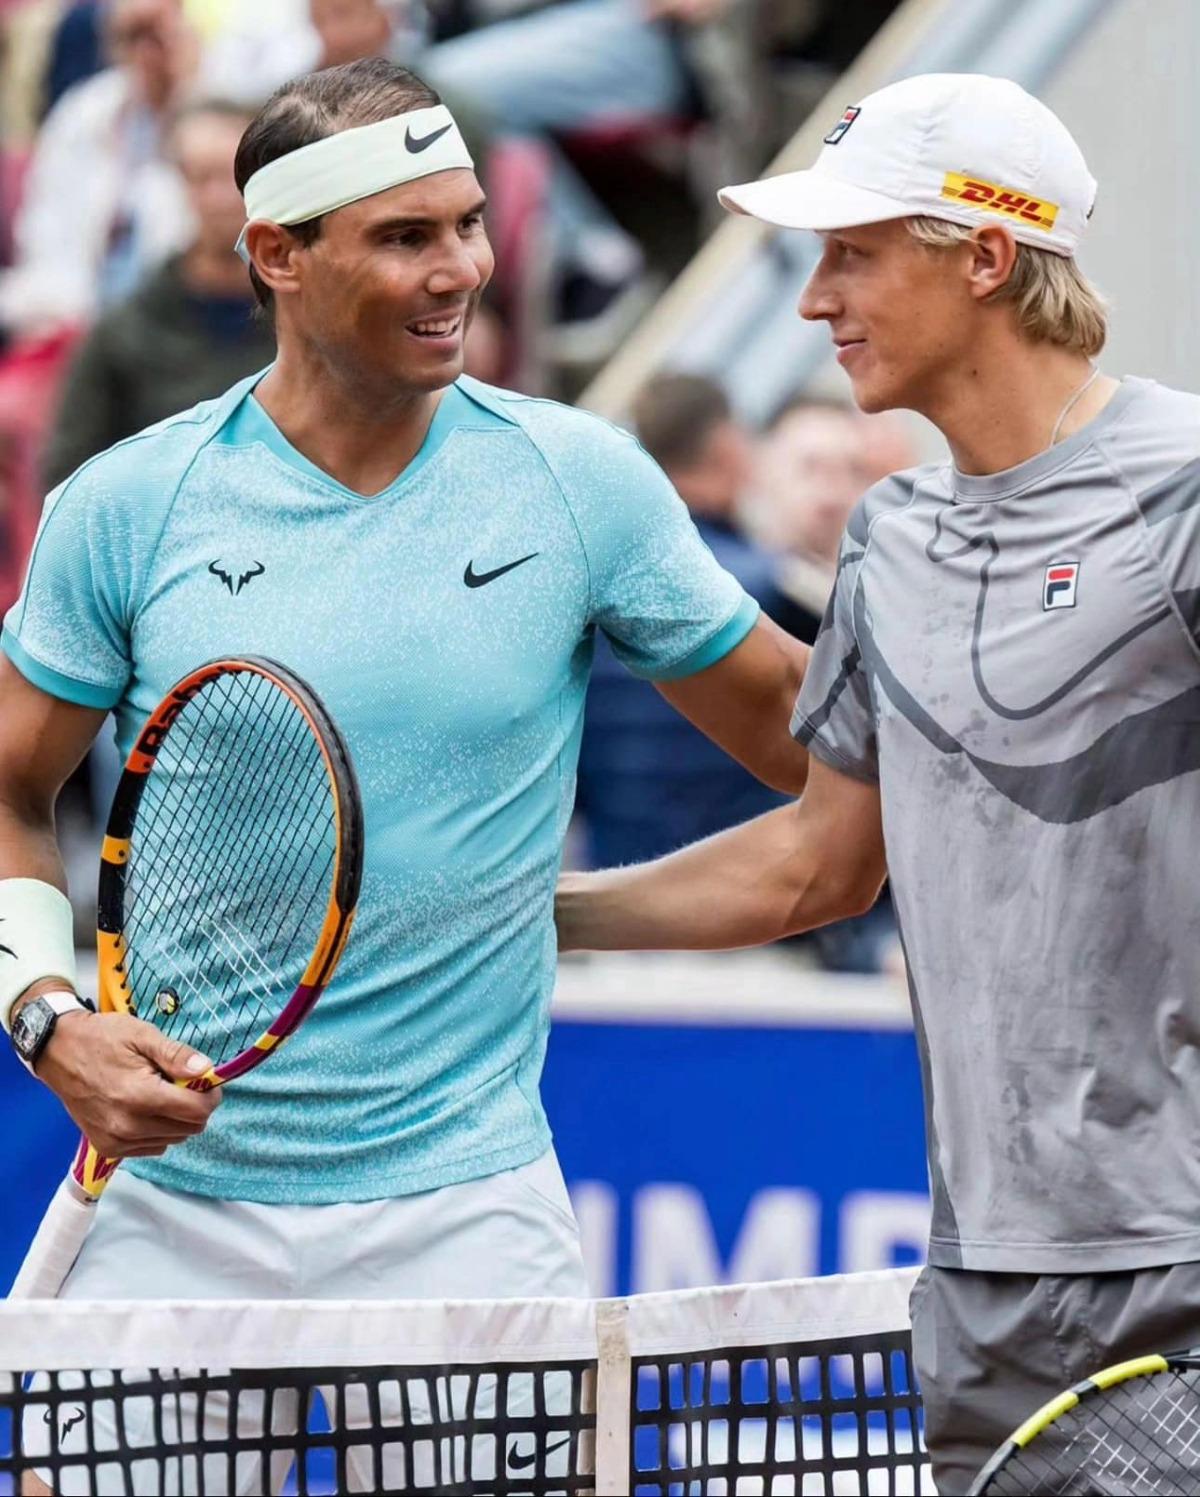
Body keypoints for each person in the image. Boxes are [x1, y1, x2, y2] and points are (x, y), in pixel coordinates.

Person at [0, 54, 807, 1482]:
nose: (464, 271)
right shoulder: (126, 507)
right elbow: (6, 786)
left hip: (469, 1211)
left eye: (469, 224)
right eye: (406, 236)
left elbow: (823, 760)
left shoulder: (583, 481)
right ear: (276, 256)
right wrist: (45, 1014)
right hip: (170, 1220)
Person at [555, 72, 1200, 1493]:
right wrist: (536, 916)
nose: (813, 301)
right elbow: (818, 863)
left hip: (1184, 1261)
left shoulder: (1186, 488)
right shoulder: (889, 537)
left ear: (984, 254)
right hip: (976, 1280)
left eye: (852, 253)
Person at [41, 99, 276, 491]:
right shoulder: (125, 331)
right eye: (202, 178)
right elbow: (70, 473)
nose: (221, 199)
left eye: (235, 179)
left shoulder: (310, 318)